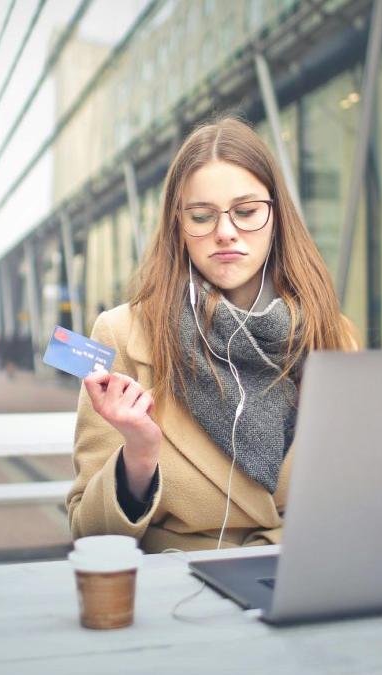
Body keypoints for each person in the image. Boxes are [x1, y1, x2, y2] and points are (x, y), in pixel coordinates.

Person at [68, 116, 358, 553]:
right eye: (202, 216)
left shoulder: (333, 335)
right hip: (183, 593)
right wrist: (139, 458)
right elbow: (88, 532)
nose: (226, 232)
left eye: (246, 212)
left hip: (307, 576)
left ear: (277, 216)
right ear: (178, 227)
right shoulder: (120, 333)